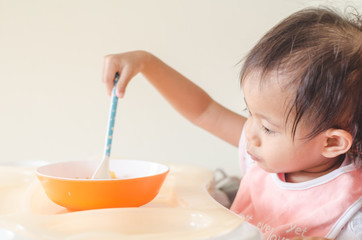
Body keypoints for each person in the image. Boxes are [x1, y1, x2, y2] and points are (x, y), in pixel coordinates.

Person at [101, 7, 361, 240]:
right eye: (249, 112)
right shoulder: (265, 158)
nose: (250, 132)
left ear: (332, 142)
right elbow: (204, 110)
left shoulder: (351, 211)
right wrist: (147, 63)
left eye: (268, 128)